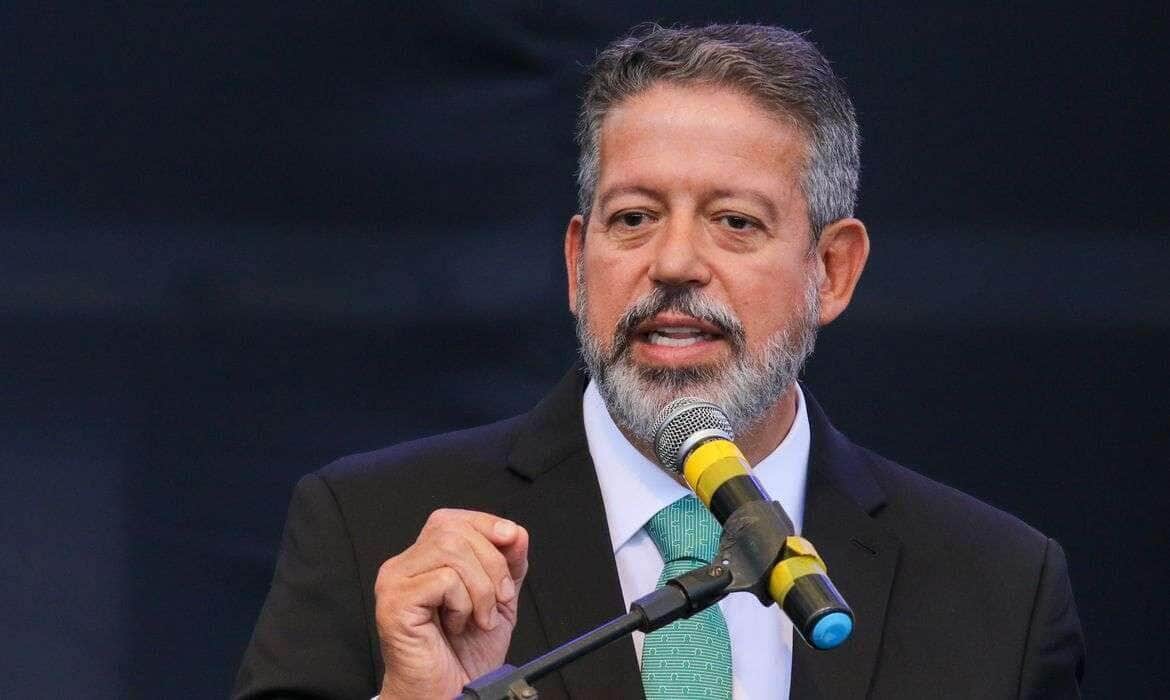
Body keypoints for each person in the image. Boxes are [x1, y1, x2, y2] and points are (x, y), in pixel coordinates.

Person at [234, 23, 1084, 699]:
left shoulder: (997, 589)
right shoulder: (373, 532)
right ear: (577, 263)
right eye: (634, 218)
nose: (674, 261)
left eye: (735, 222)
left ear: (831, 271)